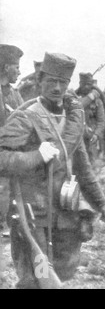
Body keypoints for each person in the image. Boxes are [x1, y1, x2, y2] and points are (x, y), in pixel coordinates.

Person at [0, 52, 105, 288]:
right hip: (34, 216)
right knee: (36, 278)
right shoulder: (25, 117)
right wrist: (36, 156)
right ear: (40, 80)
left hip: (65, 214)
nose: (57, 87)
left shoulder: (71, 119)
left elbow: (83, 167)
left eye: (63, 82)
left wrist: (100, 202)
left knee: (62, 272)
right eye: (51, 81)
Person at [0, 44, 24, 236]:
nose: (19, 71)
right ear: (6, 67)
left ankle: (6, 221)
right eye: (16, 66)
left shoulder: (15, 93)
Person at [75, 72, 105, 166]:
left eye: (89, 84)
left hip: (91, 135)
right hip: (76, 134)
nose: (86, 87)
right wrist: (90, 97)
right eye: (84, 84)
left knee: (90, 160)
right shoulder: (74, 98)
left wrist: (96, 134)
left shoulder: (97, 102)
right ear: (80, 84)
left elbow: (101, 121)